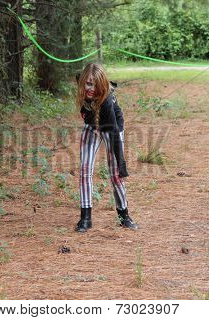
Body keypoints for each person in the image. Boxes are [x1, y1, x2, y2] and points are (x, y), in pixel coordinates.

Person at [75, 62, 138, 232]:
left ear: (102, 84)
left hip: (112, 128)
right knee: (85, 170)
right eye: (88, 83)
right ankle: (85, 218)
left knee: (115, 175)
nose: (91, 88)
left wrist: (122, 167)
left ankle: (123, 215)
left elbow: (115, 135)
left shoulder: (108, 102)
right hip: (91, 126)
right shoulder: (82, 83)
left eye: (96, 84)